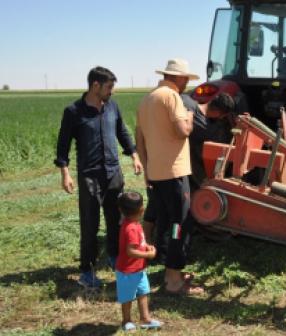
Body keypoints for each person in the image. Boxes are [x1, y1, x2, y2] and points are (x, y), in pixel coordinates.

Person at [54, 66, 143, 288]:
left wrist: (134, 155)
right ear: (96, 85)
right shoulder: (74, 111)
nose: (112, 91)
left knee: (116, 219)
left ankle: (114, 256)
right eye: (109, 87)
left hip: (113, 172)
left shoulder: (112, 107)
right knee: (90, 223)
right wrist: (65, 174)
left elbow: (122, 132)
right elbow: (63, 145)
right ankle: (87, 270)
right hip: (89, 175)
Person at [135, 58, 203, 295]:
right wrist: (190, 118)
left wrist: (147, 169)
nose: (186, 84)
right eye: (186, 79)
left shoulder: (147, 99)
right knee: (180, 224)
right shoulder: (172, 97)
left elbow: (140, 140)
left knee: (167, 222)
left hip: (156, 173)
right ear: (180, 78)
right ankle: (174, 279)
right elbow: (182, 131)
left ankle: (169, 271)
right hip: (175, 174)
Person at [115, 191, 162, 332]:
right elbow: (130, 251)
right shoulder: (131, 229)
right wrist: (148, 254)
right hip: (127, 271)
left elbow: (138, 243)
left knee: (143, 293)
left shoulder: (134, 224)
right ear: (142, 209)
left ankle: (145, 319)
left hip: (138, 270)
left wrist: (146, 245)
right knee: (127, 298)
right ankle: (126, 321)